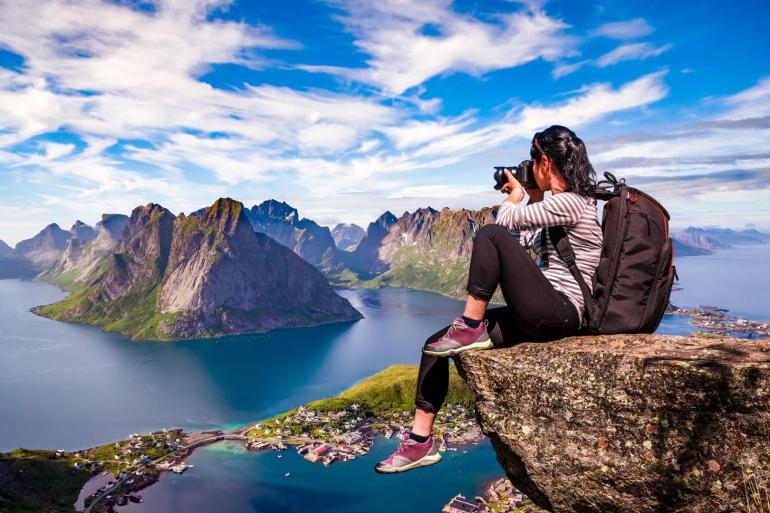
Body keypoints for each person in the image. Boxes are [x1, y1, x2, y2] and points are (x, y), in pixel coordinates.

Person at [374, 125, 603, 474]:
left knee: (489, 233)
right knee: (435, 344)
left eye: (531, 160)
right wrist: (532, 197)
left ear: (543, 160)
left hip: (562, 312)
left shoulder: (574, 202)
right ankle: (420, 442)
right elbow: (523, 247)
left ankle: (470, 324)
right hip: (544, 310)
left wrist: (515, 196)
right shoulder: (558, 206)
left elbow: (504, 223)